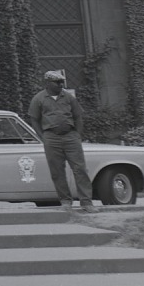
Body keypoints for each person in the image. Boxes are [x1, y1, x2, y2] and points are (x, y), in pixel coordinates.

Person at [27, 68, 99, 211]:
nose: (61, 85)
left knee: (80, 169)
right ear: (48, 83)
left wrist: (77, 134)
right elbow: (34, 119)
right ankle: (65, 201)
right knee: (57, 171)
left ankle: (86, 202)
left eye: (62, 82)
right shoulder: (39, 98)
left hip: (70, 135)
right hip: (51, 137)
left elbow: (78, 116)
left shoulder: (68, 97)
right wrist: (43, 137)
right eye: (57, 82)